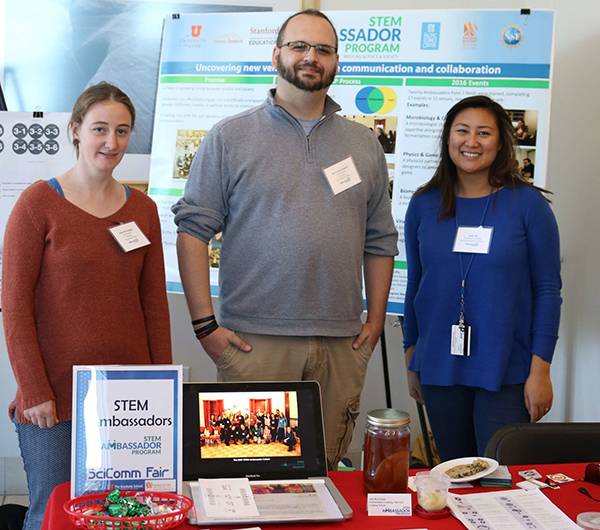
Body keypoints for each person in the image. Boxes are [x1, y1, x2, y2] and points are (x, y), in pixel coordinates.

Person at [172, 9, 398, 469]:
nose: (310, 57)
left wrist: (374, 320)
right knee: (248, 477)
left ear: (336, 63)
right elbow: (192, 232)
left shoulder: (363, 144)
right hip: (255, 341)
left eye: (323, 49)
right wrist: (204, 327)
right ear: (276, 55)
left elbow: (380, 240)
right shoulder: (230, 137)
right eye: (299, 46)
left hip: (341, 339)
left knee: (325, 473)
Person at [1, 82, 172, 530]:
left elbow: (153, 305)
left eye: (122, 130)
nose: (111, 142)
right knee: (51, 512)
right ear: (76, 130)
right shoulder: (38, 204)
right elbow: (14, 305)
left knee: (124, 513)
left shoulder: (144, 210)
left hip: (129, 398)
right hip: (54, 396)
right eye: (100, 129)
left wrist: (164, 388)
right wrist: (34, 390)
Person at [403, 95, 561, 461]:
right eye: (462, 131)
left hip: (507, 370)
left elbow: (549, 292)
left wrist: (541, 370)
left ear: (502, 142)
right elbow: (416, 283)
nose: (471, 142)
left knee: (499, 481)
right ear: (447, 138)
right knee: (453, 476)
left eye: (484, 133)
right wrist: (412, 354)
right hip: (439, 366)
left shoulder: (528, 206)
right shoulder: (424, 204)